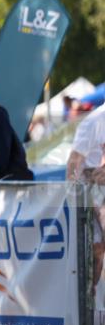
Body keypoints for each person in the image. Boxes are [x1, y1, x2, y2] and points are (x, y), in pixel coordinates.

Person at [67, 102, 105, 294]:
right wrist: (75, 206)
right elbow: (74, 163)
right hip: (93, 201)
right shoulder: (95, 122)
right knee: (95, 255)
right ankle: (87, 314)